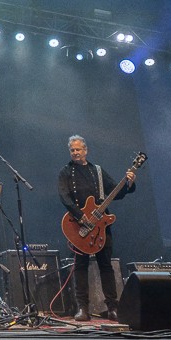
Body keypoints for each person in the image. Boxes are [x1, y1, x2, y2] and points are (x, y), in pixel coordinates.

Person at [57, 135, 136, 321]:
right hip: (79, 225)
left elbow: (116, 192)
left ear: (86, 150)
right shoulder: (65, 172)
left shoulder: (98, 171)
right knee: (80, 266)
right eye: (72, 150)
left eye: (78, 149)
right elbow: (64, 196)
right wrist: (80, 215)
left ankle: (112, 307)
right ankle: (82, 308)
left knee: (106, 265)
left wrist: (129, 183)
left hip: (101, 225)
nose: (75, 153)